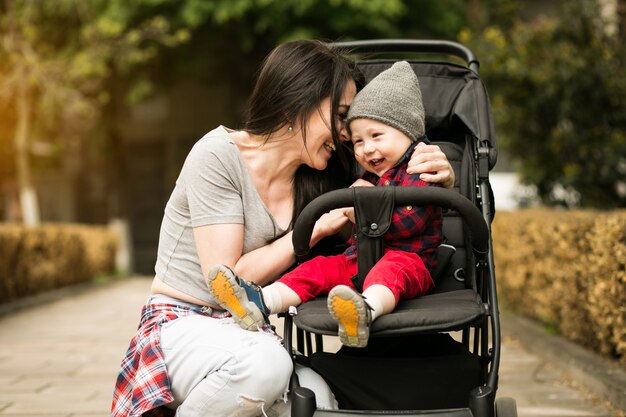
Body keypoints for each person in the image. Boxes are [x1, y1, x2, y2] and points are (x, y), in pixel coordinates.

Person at [111, 41, 455, 417]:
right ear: (300, 100)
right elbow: (228, 279)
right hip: (182, 322)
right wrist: (315, 229)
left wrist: (440, 181)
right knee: (265, 367)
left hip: (246, 330)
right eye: (342, 116)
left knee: (319, 398)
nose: (346, 135)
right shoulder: (217, 156)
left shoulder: (321, 175)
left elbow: (384, 230)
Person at [206, 60, 443, 349]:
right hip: (360, 261)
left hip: (408, 261)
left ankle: (365, 311)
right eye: (358, 141)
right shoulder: (365, 175)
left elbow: (409, 224)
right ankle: (261, 301)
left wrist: (362, 214)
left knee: (390, 271)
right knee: (317, 269)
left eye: (376, 136)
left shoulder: (420, 167)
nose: (366, 148)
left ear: (408, 132)